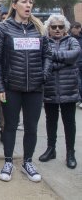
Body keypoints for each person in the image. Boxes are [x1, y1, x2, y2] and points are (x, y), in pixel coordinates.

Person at [0, 0, 52, 182]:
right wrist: (0, 87)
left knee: (31, 127)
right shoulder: (4, 28)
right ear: (14, 5)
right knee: (9, 126)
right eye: (24, 2)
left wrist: (43, 75)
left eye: (31, 2)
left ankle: (27, 162)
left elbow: (48, 56)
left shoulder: (39, 29)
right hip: (11, 87)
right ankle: (8, 161)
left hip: (35, 88)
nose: (28, 5)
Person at [39, 14, 78, 169]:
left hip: (69, 89)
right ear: (48, 28)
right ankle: (51, 149)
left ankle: (70, 153)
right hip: (49, 89)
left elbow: (74, 55)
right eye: (53, 26)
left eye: (60, 27)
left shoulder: (72, 41)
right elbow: (42, 61)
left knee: (69, 123)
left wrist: (51, 58)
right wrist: (64, 62)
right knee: (51, 121)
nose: (57, 29)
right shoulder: (44, 42)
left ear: (65, 28)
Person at [69, 22, 82, 109]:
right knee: (79, 82)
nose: (72, 30)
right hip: (76, 63)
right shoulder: (70, 38)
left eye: (74, 28)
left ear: (79, 28)